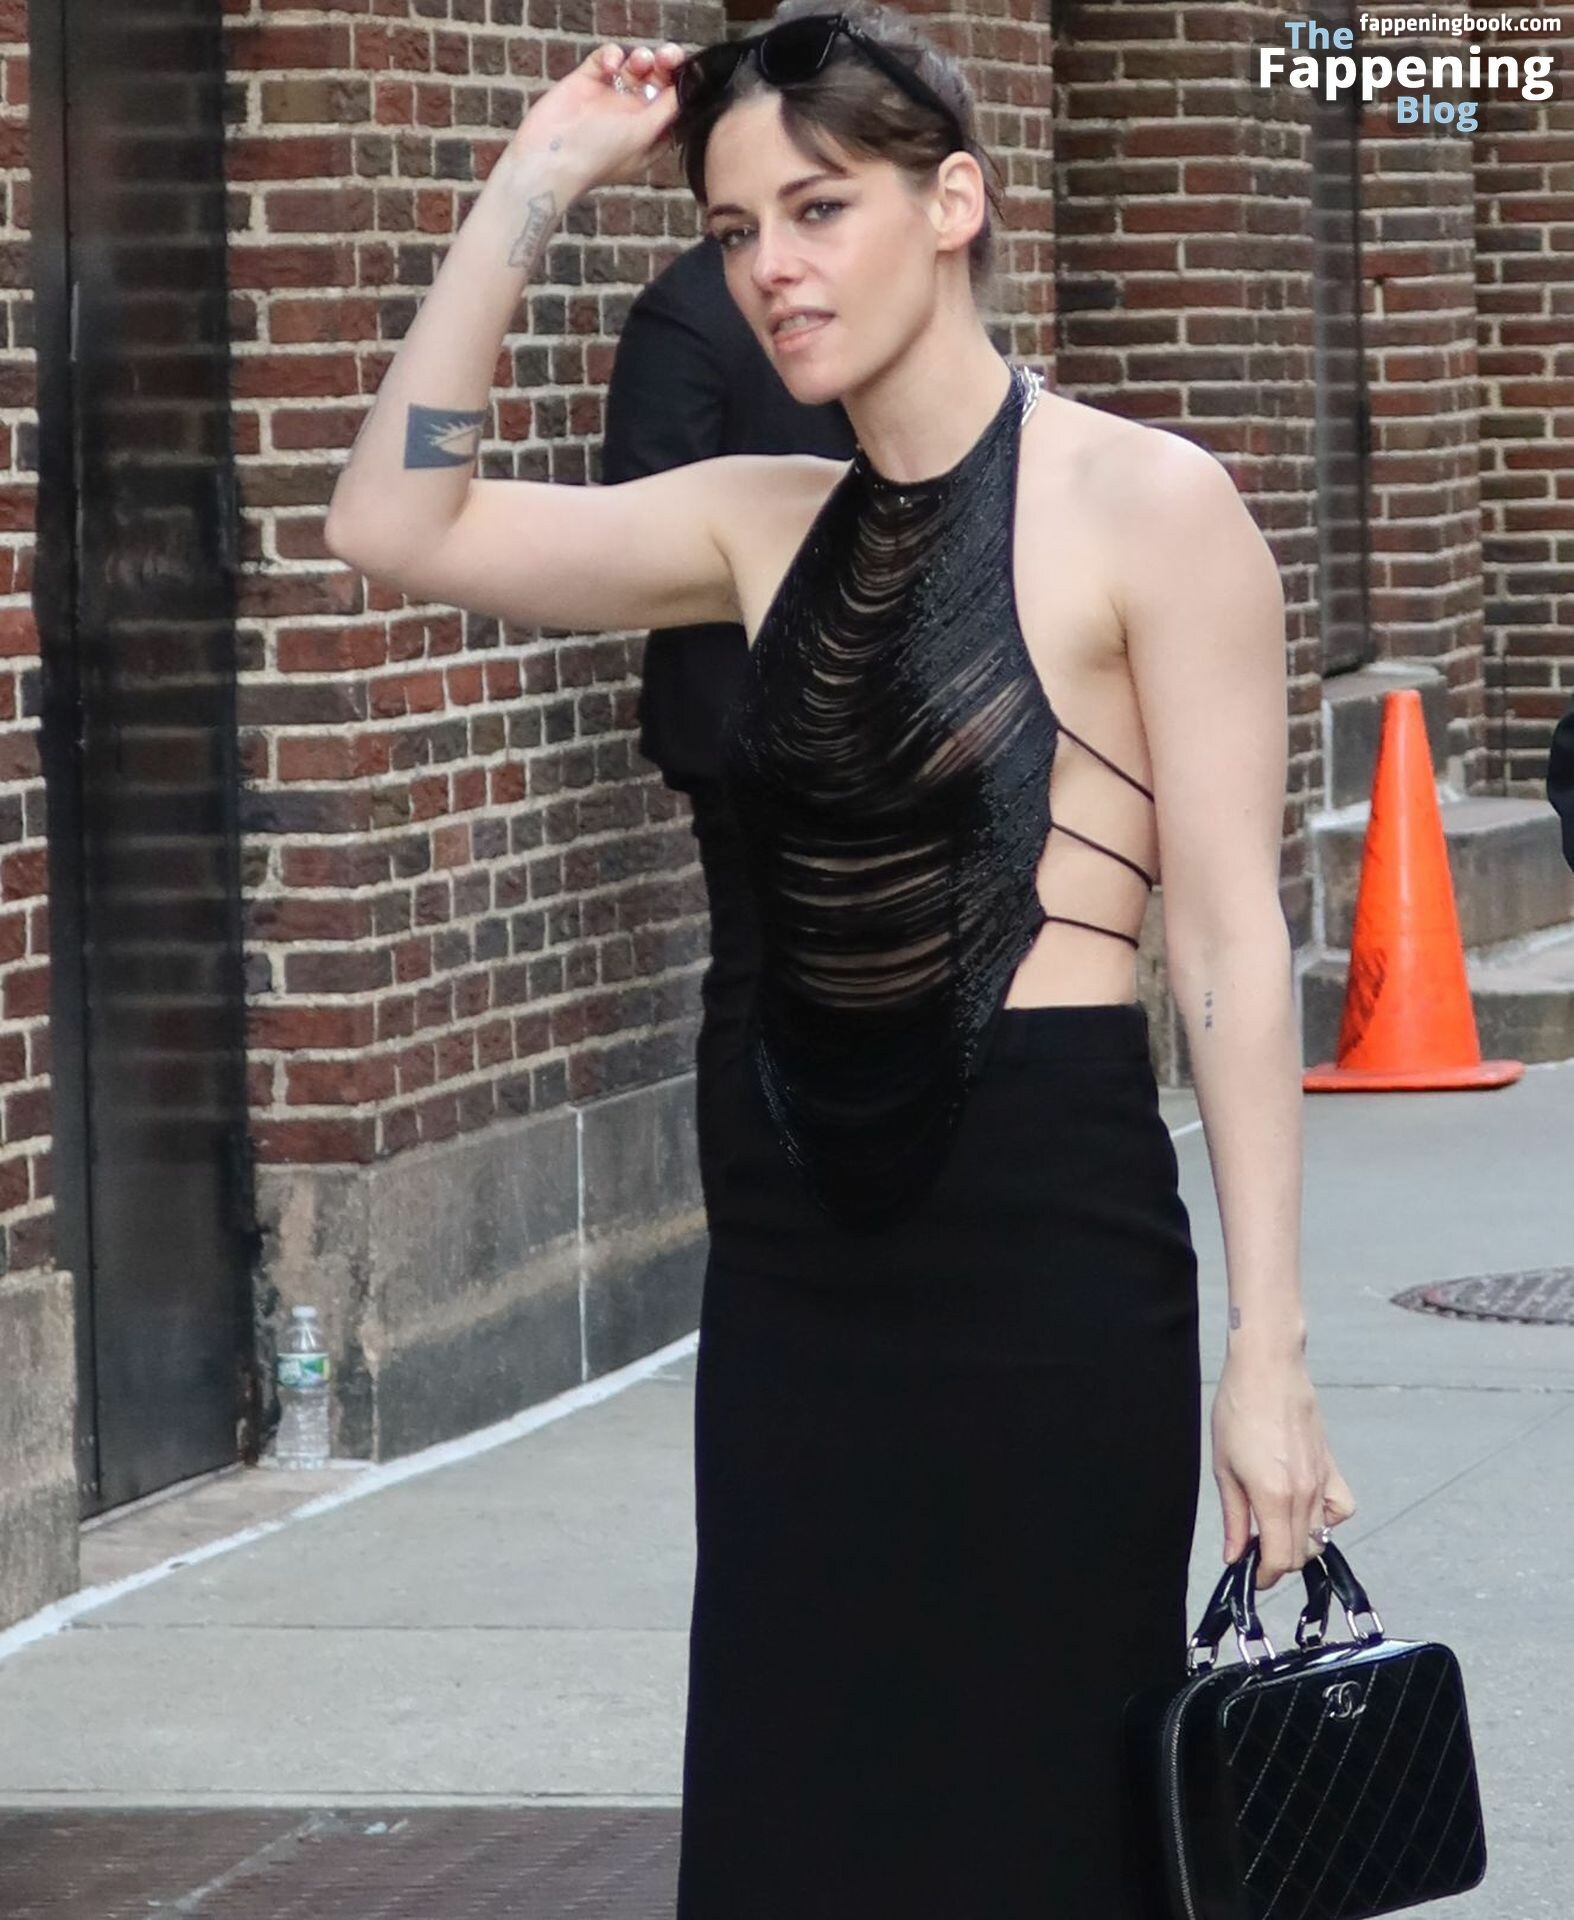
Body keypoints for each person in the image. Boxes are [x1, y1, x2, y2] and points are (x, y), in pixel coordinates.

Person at [323, 5, 1359, 1912]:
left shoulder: (1147, 504)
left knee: (1039, 1829)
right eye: (733, 231)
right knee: (797, 1824)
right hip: (795, 1257)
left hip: (1043, 1252)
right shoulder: (755, 524)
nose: (772, 269)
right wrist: (534, 181)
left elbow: (1226, 942)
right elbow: (393, 521)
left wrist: (1267, 1353)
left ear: (950, 202)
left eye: (817, 209)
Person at [599, 235, 855, 1213]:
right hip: (747, 719)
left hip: (880, 707)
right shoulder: (690, 312)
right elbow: (641, 531)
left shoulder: (853, 286)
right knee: (762, 973)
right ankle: (758, 1223)